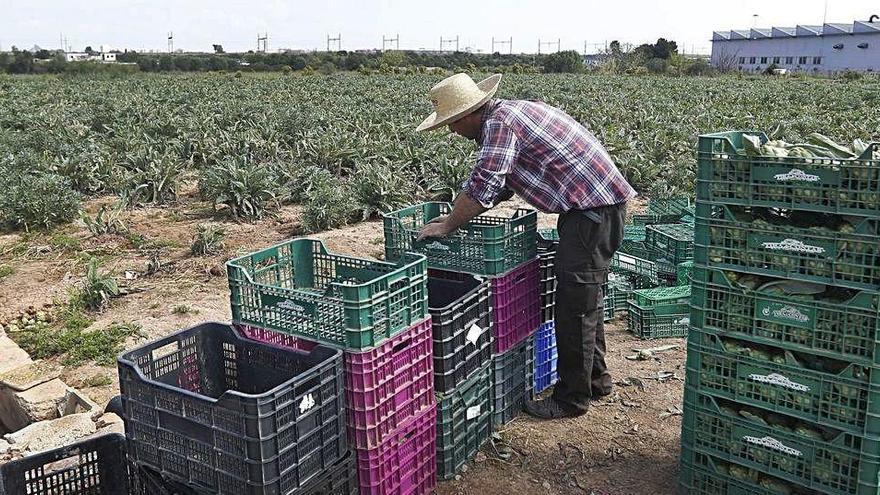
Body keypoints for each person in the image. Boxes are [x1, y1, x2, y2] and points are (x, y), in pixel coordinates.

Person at [416, 73, 636, 419]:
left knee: (574, 307)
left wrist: (448, 224)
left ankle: (572, 399)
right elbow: (503, 182)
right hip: (593, 210)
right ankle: (596, 381)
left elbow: (484, 182)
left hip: (592, 212)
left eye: (451, 124)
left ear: (467, 115)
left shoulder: (500, 124)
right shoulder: (512, 114)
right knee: (585, 301)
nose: (452, 132)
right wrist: (464, 212)